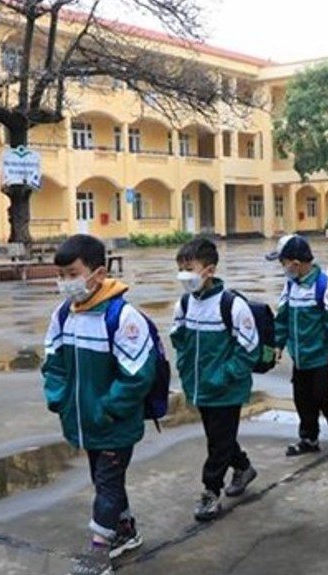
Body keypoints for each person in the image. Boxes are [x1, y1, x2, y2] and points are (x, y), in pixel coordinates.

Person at [42, 235, 156, 575]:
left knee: (106, 483)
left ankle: (99, 549)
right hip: (84, 421)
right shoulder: (64, 315)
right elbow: (53, 363)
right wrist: (59, 400)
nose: (65, 282)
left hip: (114, 423)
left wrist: (107, 408)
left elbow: (137, 375)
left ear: (99, 272)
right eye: (61, 275)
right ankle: (125, 530)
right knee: (105, 480)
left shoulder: (123, 318)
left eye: (72, 273)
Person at [170, 238, 259, 522]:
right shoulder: (185, 303)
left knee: (217, 443)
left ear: (209, 270)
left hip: (226, 390)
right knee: (219, 437)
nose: (185, 275)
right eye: (181, 268)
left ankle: (210, 491)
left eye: (190, 268)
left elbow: (248, 350)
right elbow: (180, 340)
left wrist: (223, 377)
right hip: (200, 387)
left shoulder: (231, 305)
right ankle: (243, 467)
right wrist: (186, 371)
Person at [267, 234, 328, 456]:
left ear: (295, 263)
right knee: (302, 398)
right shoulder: (291, 286)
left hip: (321, 356)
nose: (282, 267)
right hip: (300, 356)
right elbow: (283, 318)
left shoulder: (326, 287)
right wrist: (278, 344)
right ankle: (308, 438)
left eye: (282, 263)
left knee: (325, 396)